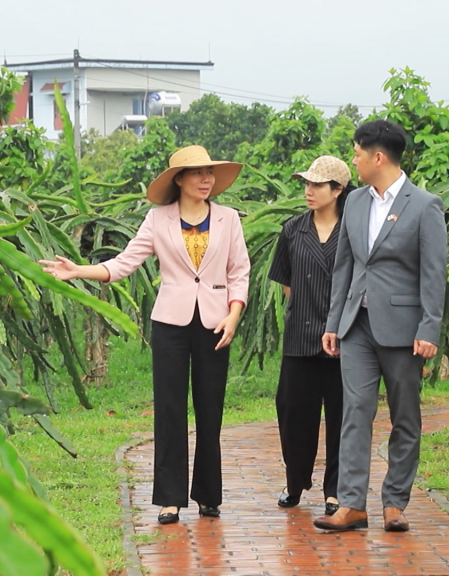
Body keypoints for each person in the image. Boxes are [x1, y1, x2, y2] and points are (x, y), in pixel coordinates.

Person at [40, 145, 251, 525]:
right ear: (179, 180)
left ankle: (208, 495)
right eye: (197, 173)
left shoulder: (228, 219)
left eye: (210, 172)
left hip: (216, 323)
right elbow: (123, 264)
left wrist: (234, 315)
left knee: (210, 410)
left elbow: (239, 272)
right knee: (169, 410)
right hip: (171, 323)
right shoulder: (158, 220)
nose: (206, 179)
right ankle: (170, 499)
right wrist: (78, 271)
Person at [314, 120, 447, 533]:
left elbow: (434, 273)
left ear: (378, 156)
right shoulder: (353, 203)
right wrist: (334, 320)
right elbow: (345, 266)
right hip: (357, 326)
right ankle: (352, 504)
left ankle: (395, 503)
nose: (352, 159)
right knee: (355, 412)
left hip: (405, 330)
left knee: (405, 416)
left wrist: (430, 327)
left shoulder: (425, 205)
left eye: (355, 152)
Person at [267, 155, 354, 515]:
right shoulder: (293, 229)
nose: (308, 191)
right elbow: (286, 282)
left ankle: (335, 490)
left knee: (341, 416)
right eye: (306, 184)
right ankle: (295, 481)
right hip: (300, 337)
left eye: (317, 185)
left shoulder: (354, 229)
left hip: (345, 339)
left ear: (337, 190)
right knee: (293, 414)